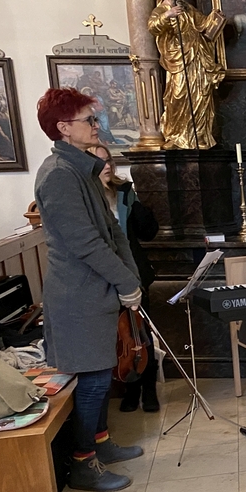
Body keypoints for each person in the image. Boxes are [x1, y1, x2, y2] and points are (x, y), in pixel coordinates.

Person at [34, 87, 144, 492]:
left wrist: (130, 277)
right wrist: (124, 281)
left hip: (97, 291)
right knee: (95, 380)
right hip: (77, 296)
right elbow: (85, 244)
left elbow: (113, 232)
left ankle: (101, 443)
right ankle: (83, 463)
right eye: (89, 120)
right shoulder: (59, 175)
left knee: (100, 375)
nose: (97, 126)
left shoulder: (82, 168)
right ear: (63, 128)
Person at [92, 144, 161, 413]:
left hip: (134, 273)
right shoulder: (86, 197)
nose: (107, 166)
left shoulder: (124, 193)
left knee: (142, 334)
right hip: (103, 279)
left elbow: (148, 232)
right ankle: (130, 388)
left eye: (108, 160)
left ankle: (149, 389)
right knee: (120, 337)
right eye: (99, 162)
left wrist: (135, 203)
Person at [148, 0, 226, 150]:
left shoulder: (187, 8)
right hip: (179, 61)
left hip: (197, 58)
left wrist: (215, 17)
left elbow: (203, 23)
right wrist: (167, 15)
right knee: (178, 95)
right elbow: (152, 27)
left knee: (201, 94)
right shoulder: (161, 10)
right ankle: (177, 135)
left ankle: (199, 135)